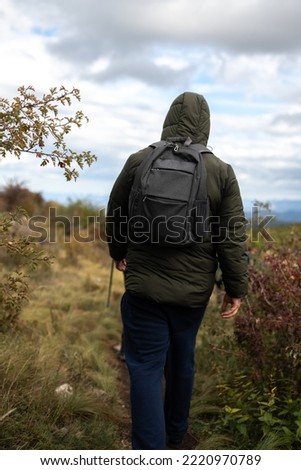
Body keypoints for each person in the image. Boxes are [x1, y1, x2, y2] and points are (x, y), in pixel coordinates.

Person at [105, 91, 248, 450]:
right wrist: (235, 288)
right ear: (206, 125)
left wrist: (119, 252)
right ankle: (176, 434)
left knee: (145, 368)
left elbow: (116, 213)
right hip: (192, 294)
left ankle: (149, 452)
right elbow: (231, 237)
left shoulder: (140, 160)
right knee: (182, 362)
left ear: (168, 118)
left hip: (143, 289)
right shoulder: (220, 171)